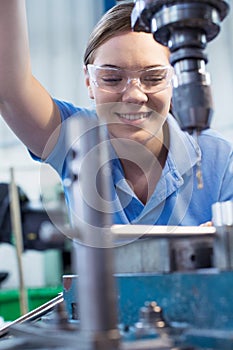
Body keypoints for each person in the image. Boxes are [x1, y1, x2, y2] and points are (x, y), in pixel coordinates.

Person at [0, 1, 232, 228]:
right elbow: (10, 90)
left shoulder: (219, 159)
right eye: (112, 78)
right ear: (90, 81)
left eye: (153, 78)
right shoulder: (76, 139)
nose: (134, 95)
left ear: (174, 80)